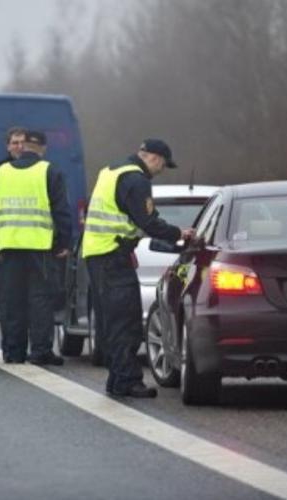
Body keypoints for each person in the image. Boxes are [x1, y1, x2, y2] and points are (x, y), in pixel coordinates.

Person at [82, 139, 194, 398]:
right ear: (153, 158)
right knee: (126, 320)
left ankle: (116, 378)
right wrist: (179, 233)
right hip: (112, 255)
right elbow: (148, 221)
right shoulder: (136, 180)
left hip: (99, 252)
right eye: (163, 165)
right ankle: (127, 381)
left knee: (113, 320)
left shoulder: (111, 170)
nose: (161, 171)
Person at [0, 130, 72, 365]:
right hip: (40, 247)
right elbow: (61, 211)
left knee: (11, 301)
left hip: (9, 246)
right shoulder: (49, 172)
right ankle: (41, 351)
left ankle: (13, 352)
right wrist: (64, 242)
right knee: (40, 300)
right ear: (42, 148)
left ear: (23, 147)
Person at [0, 126, 27, 210]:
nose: (20, 147)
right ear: (8, 147)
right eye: (15, 143)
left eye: (23, 142)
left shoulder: (39, 169)